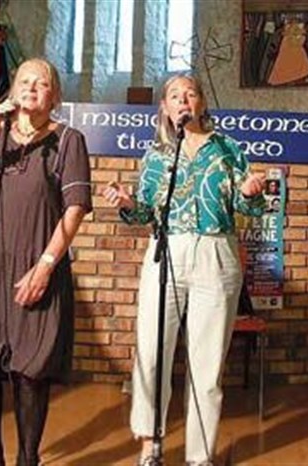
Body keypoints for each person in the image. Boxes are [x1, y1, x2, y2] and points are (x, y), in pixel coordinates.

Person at [103, 74, 266, 465]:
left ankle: (200, 456)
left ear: (201, 103)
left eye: (190, 94)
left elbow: (250, 207)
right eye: (174, 95)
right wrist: (127, 203)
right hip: (167, 251)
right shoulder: (156, 155)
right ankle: (150, 444)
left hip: (215, 252)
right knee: (151, 352)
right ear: (164, 107)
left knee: (206, 365)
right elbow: (145, 212)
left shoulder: (227, 148)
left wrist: (250, 193)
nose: (183, 100)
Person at [0, 58, 92, 466]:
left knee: (31, 368)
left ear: (54, 95)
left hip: (35, 265)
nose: (31, 88)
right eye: (24, 81)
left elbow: (74, 209)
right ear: (11, 91)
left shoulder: (68, 140)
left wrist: (45, 265)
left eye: (41, 83)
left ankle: (28, 457)